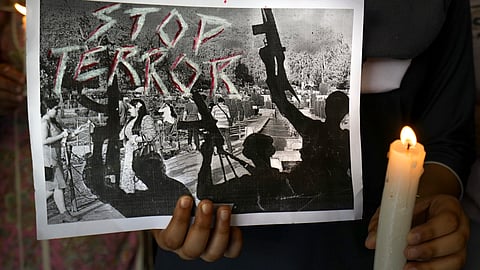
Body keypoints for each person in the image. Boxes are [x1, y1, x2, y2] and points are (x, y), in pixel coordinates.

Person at [152, 1, 475, 269]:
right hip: (220, 247)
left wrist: (425, 203)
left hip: (383, 242)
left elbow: (447, 134)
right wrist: (153, 215)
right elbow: (279, 98)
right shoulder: (312, 130)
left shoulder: (313, 130)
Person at [41, 98, 84, 223]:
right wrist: (61, 135)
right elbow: (43, 141)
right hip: (49, 160)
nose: (58, 111)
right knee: (58, 187)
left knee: (52, 189)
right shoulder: (44, 123)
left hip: (55, 159)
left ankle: (64, 214)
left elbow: (61, 139)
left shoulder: (52, 121)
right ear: (48, 109)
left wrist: (75, 133)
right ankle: (65, 215)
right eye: (56, 109)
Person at [119, 98, 156, 194]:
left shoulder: (146, 118)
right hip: (129, 154)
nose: (129, 110)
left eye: (131, 108)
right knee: (129, 180)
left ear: (138, 108)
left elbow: (150, 135)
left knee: (140, 180)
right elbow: (122, 135)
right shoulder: (131, 120)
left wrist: (136, 139)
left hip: (141, 153)